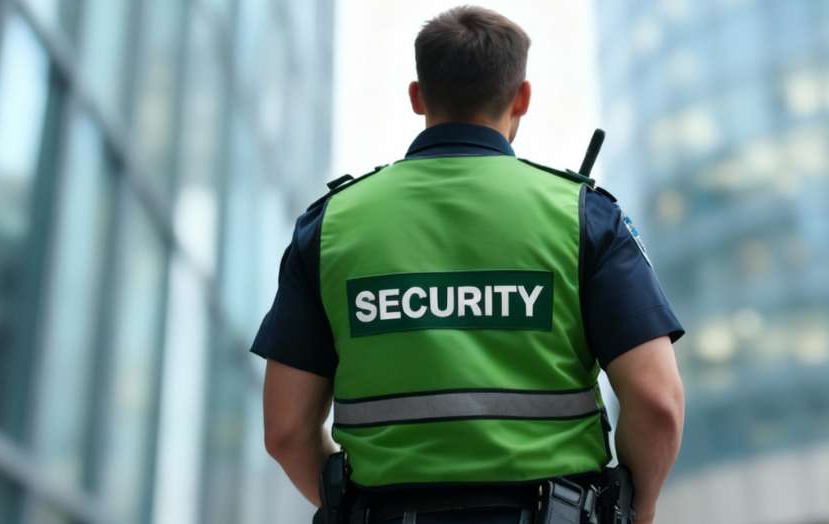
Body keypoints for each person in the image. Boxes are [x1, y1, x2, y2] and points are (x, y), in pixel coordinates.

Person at [252, 6, 685, 523]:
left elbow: (284, 431)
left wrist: (350, 509)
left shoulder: (330, 227)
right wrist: (639, 508)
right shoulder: (585, 217)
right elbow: (658, 403)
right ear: (521, 95)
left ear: (418, 96)